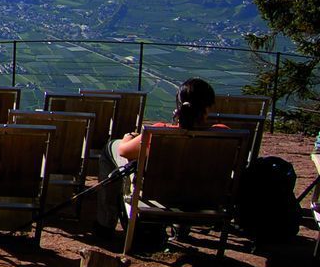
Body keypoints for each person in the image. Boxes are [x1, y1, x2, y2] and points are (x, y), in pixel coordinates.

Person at [95, 77, 224, 242]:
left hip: (159, 198)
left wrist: (128, 137)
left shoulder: (159, 133)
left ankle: (105, 223)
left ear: (178, 107)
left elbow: (123, 152)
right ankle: (181, 230)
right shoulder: (223, 135)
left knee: (110, 149)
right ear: (209, 106)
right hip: (202, 200)